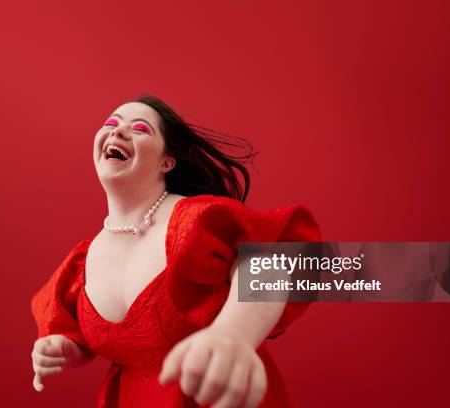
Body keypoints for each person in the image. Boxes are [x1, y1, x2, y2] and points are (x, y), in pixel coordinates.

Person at [30, 95, 322, 407]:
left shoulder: (196, 220)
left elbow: (271, 265)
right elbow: (80, 341)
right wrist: (62, 349)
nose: (117, 132)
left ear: (166, 162)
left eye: (140, 129)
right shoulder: (80, 264)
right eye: (111, 124)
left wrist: (233, 335)